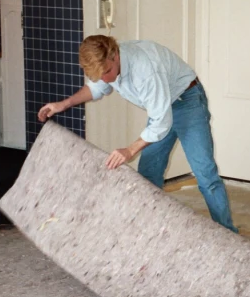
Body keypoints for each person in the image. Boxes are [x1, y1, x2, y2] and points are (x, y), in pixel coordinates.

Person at [38, 35, 238, 233]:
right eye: (100, 76)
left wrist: (130, 150)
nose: (106, 79)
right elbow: (96, 89)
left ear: (115, 55)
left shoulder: (145, 69)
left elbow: (161, 122)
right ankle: (147, 234)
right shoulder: (106, 66)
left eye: (107, 72)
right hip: (161, 106)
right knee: (148, 177)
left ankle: (228, 236)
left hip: (187, 102)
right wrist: (63, 104)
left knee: (206, 175)